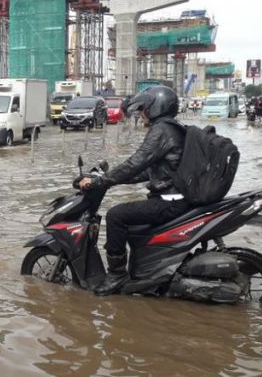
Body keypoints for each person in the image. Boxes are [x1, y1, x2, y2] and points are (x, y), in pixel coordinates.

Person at [79, 86, 189, 296]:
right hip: (175, 197)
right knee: (130, 221)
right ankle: (146, 272)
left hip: (170, 201)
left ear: (155, 107)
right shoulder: (171, 128)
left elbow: (135, 163)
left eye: (143, 109)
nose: (141, 114)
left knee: (116, 215)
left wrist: (101, 183)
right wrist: (109, 179)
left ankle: (117, 274)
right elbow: (146, 172)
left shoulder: (161, 130)